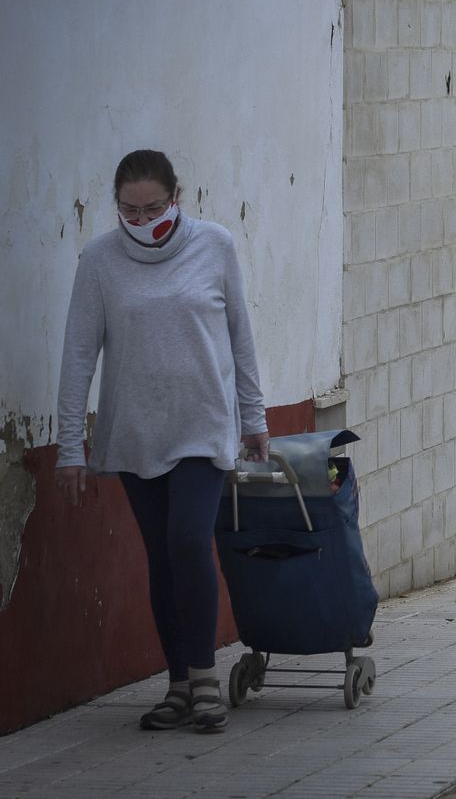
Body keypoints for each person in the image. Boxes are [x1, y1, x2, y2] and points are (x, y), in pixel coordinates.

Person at [54, 149, 269, 734]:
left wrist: (255, 418)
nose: (143, 218)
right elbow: (78, 355)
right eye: (130, 209)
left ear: (178, 197)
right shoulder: (99, 261)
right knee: (162, 556)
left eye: (153, 207)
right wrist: (70, 447)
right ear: (116, 206)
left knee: (186, 538)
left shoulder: (215, 245)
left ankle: (203, 681)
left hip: (202, 425)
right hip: (137, 430)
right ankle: (177, 685)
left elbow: (240, 337)